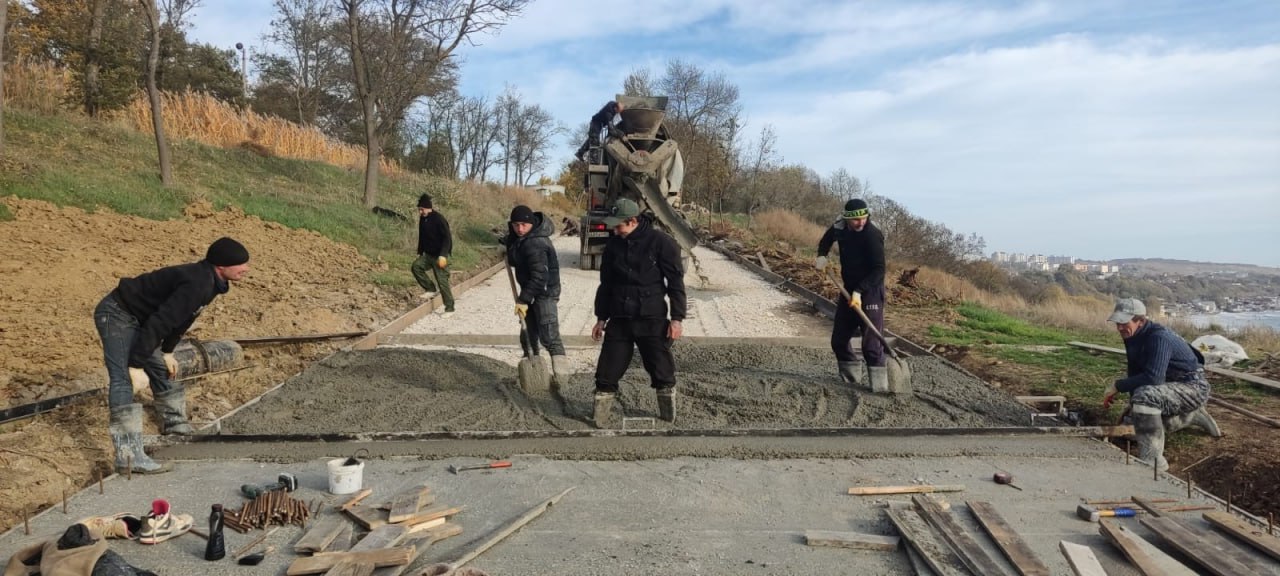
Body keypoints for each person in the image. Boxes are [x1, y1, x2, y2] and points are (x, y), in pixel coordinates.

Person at [93, 237, 250, 474]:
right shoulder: (198, 283)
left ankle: (175, 425)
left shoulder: (211, 282)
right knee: (123, 379)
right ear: (221, 266)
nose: (245, 269)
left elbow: (182, 318)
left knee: (162, 367)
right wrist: (135, 365)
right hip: (118, 314)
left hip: (142, 319)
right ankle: (128, 457)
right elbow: (161, 321)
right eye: (240, 264)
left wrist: (167, 351)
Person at [590, 198, 686, 427]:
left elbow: (675, 283)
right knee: (606, 372)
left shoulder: (662, 243)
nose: (615, 229)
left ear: (632, 221)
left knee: (662, 371)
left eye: (618, 225)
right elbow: (606, 285)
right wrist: (601, 318)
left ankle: (666, 417)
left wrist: (677, 319)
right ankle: (600, 417)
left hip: (651, 318)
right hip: (620, 318)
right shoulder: (613, 245)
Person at [1102, 298, 1220, 471]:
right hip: (1169, 387)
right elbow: (1136, 372)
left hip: (1192, 387)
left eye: (1124, 323)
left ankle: (1153, 460)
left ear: (1140, 321)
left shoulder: (1158, 337)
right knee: (1136, 427)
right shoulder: (1133, 335)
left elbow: (1153, 379)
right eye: (1117, 323)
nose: (1119, 327)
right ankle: (1189, 417)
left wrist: (1117, 386)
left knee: (1145, 398)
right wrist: (1132, 404)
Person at [815, 198, 888, 392]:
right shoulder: (839, 228)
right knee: (839, 341)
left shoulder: (872, 234)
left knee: (871, 345)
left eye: (864, 218)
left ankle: (880, 388)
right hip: (848, 289)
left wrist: (859, 291)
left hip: (870, 291)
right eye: (856, 220)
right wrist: (822, 255)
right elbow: (826, 240)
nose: (861, 223)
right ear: (847, 219)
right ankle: (851, 382)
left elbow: (879, 270)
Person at [505, 205, 568, 387]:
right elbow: (516, 248)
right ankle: (534, 373)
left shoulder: (536, 243)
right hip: (530, 289)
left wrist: (523, 300)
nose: (520, 229)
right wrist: (507, 244)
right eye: (516, 225)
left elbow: (540, 277)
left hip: (544, 292)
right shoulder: (521, 238)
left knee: (548, 333)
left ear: (531, 223)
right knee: (528, 332)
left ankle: (562, 378)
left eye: (524, 225)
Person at [411, 194, 455, 315]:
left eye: (422, 209)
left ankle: (450, 308)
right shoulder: (423, 219)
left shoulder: (439, 219)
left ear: (428, 208)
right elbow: (422, 237)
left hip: (440, 256)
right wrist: (420, 253)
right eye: (419, 209)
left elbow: (447, 238)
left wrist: (443, 255)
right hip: (428, 255)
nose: (420, 212)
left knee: (442, 282)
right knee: (416, 266)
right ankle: (430, 289)